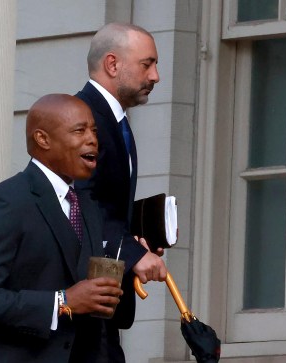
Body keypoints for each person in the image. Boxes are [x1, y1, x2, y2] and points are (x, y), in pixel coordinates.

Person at [0, 94, 123, 363]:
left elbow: (86, 303)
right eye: (79, 130)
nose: (92, 140)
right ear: (43, 139)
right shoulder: (5, 201)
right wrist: (61, 302)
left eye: (94, 131)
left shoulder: (87, 205)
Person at [75, 22, 167, 362]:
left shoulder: (114, 120)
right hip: (78, 306)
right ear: (113, 65)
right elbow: (78, 202)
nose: (155, 76)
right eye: (147, 64)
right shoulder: (81, 117)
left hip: (102, 303)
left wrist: (138, 237)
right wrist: (131, 251)